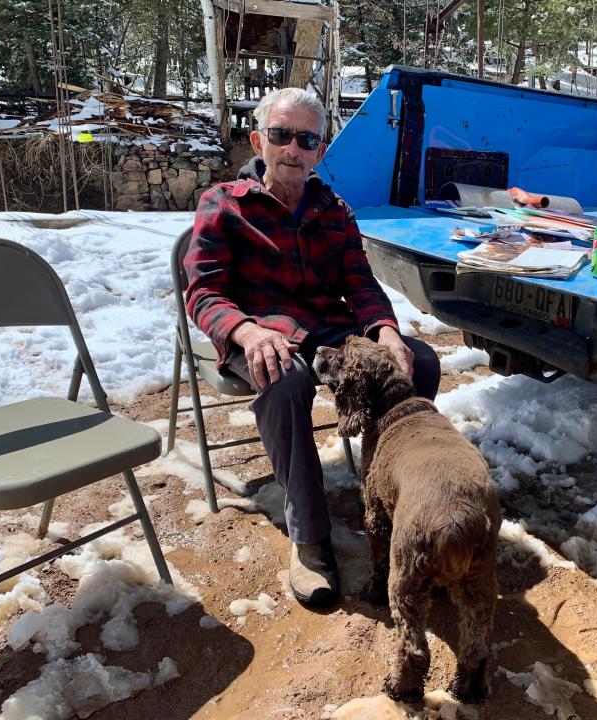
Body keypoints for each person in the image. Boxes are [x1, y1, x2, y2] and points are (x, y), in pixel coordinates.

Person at [184, 88, 440, 607]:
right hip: (256, 329)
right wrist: (247, 332)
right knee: (285, 379)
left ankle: (392, 495)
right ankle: (309, 537)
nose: (292, 149)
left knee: (419, 362)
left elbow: (361, 285)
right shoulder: (224, 204)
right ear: (259, 140)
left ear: (319, 151)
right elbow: (203, 291)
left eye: (306, 139)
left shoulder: (333, 209)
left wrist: (385, 330)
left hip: (326, 326)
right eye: (281, 135)